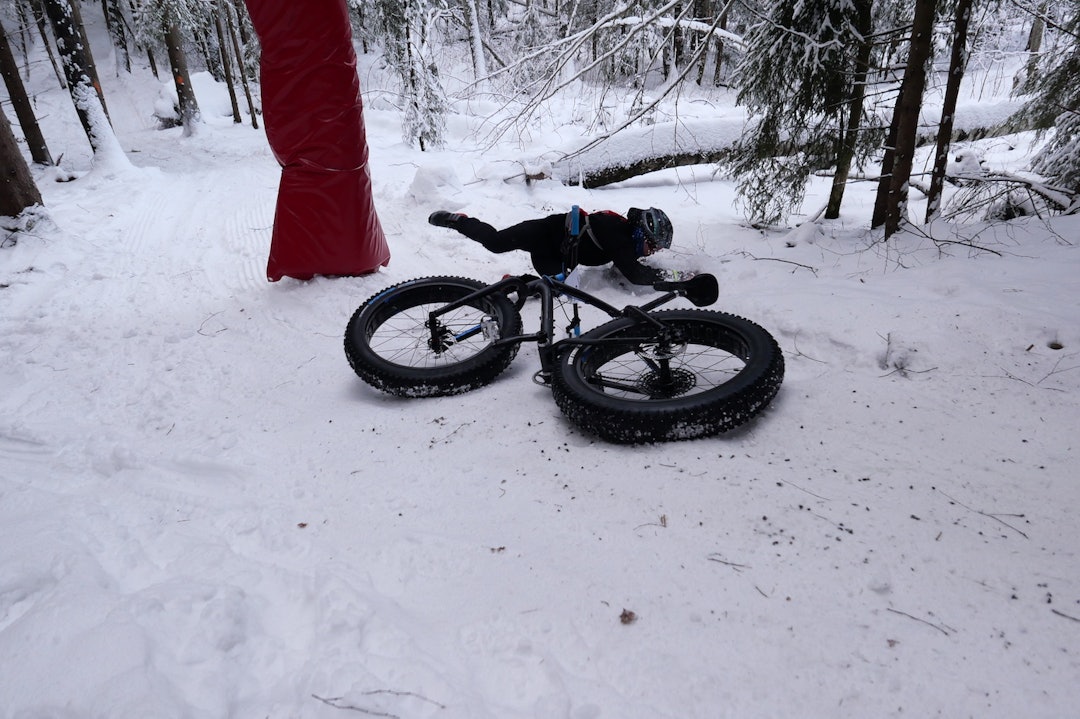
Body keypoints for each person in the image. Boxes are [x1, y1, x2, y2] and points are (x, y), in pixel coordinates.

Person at [428, 206, 678, 285]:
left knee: (558, 287)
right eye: (652, 246)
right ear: (640, 234)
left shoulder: (624, 240)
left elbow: (625, 269)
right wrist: (676, 278)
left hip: (552, 255)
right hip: (541, 232)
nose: (653, 252)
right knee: (495, 243)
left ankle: (514, 283)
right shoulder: (618, 237)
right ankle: (458, 221)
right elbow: (634, 274)